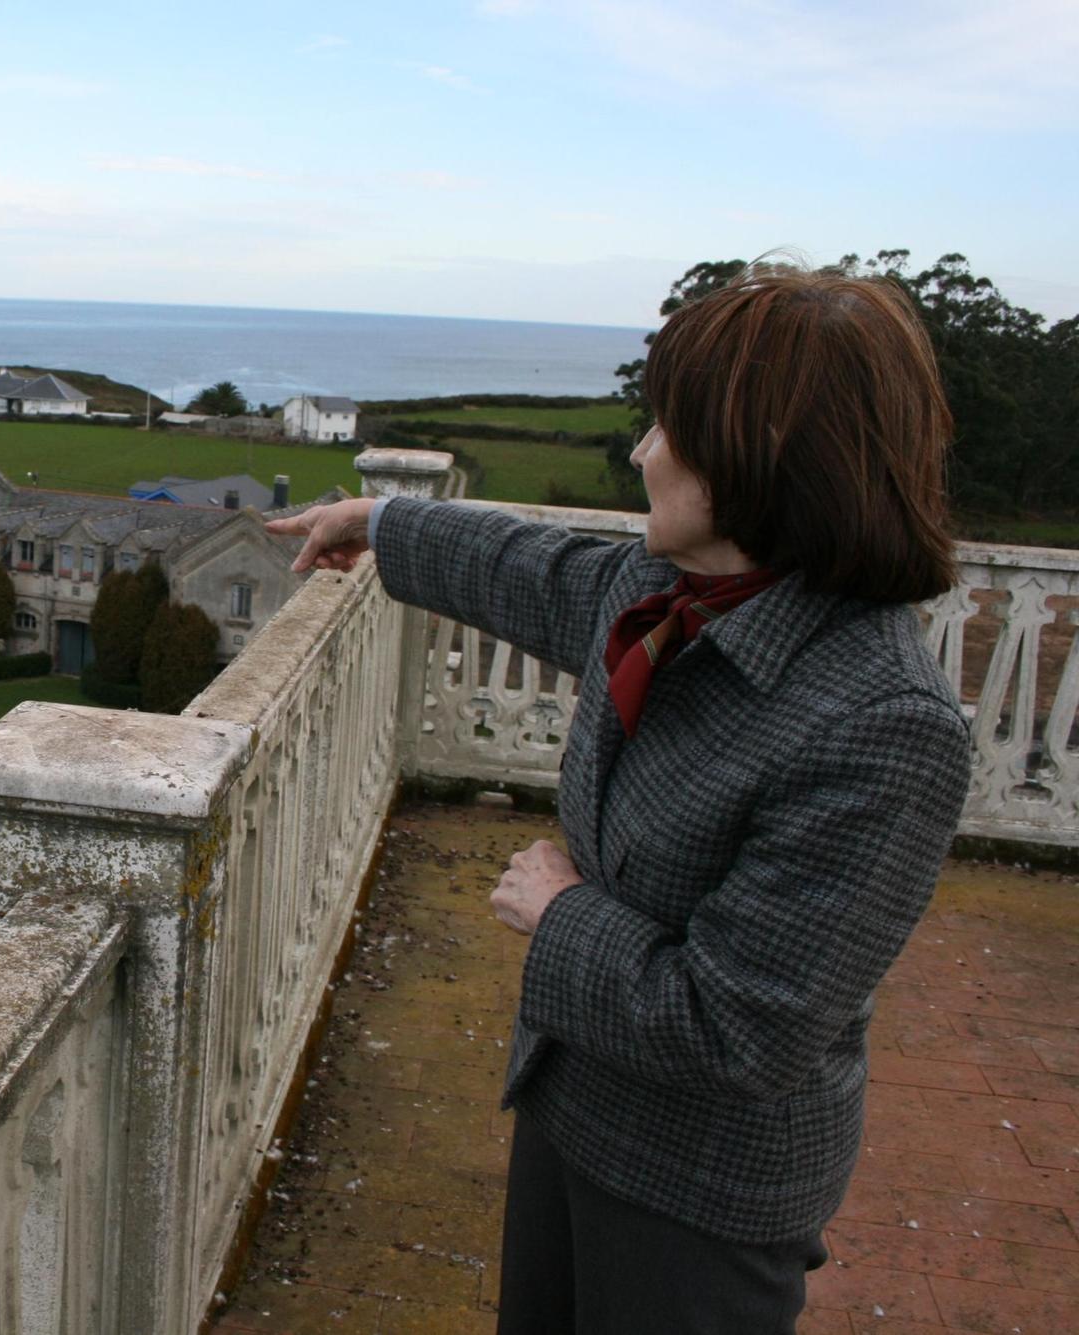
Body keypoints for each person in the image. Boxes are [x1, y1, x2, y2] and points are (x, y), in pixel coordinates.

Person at [265, 264, 971, 1334]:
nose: (639, 452)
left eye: (665, 427)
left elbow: (740, 1031)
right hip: (573, 1098)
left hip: (699, 1195)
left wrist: (560, 913)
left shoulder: (882, 723)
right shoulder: (673, 599)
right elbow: (529, 568)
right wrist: (382, 520)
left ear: (763, 453)